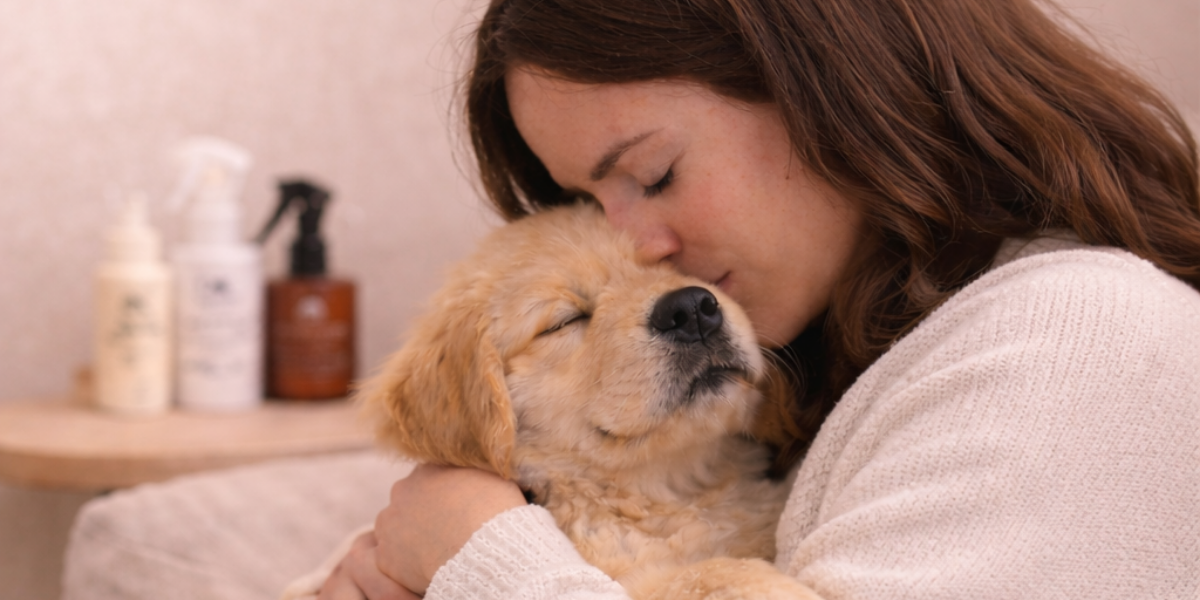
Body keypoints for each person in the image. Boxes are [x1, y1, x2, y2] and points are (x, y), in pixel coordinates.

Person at [318, 0, 1200, 598]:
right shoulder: (872, 349)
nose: (644, 251)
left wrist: (485, 558)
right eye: (591, 204)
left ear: (833, 90)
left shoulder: (1079, 344)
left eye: (654, 173)